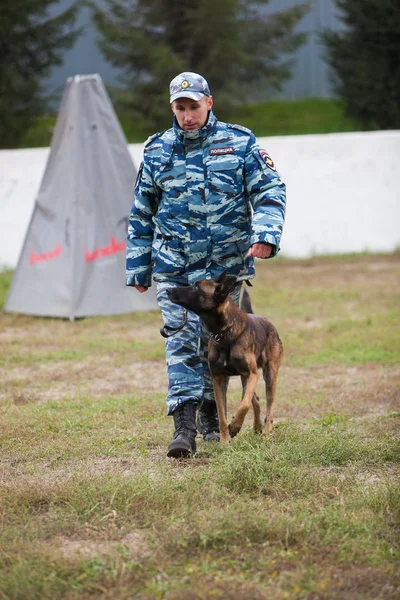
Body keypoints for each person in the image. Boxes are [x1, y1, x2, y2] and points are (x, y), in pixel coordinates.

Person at [126, 72, 286, 458]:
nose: (187, 115)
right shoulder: (156, 150)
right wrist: (138, 266)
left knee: (220, 344)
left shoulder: (240, 142)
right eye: (179, 108)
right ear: (172, 109)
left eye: (193, 107)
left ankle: (213, 413)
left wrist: (265, 234)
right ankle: (184, 429)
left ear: (208, 103)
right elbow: (141, 211)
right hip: (175, 268)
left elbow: (269, 189)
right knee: (181, 344)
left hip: (224, 273)